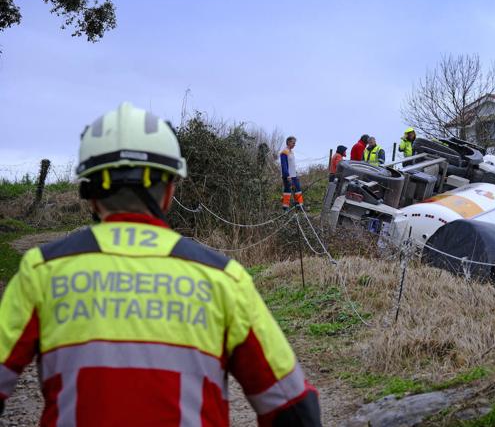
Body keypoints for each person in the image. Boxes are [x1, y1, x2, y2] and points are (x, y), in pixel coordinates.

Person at [0, 103, 321, 426]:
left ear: (90, 193)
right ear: (169, 191)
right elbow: (293, 407)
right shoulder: (223, 279)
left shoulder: (41, 271)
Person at [280, 136, 304, 210]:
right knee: (287, 191)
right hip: (288, 176)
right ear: (288, 142)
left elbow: (292, 165)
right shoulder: (284, 152)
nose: (294, 144)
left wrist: (295, 174)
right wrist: (287, 175)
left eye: (295, 143)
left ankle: (299, 206)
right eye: (293, 143)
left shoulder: (291, 152)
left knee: (298, 190)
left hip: (294, 175)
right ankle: (285, 208)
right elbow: (284, 165)